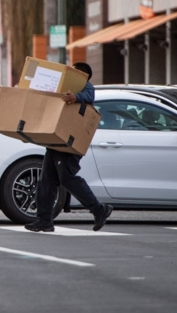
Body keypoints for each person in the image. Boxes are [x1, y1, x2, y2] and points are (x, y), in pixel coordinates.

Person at [26, 62, 113, 233]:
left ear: (84, 75)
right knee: (46, 181)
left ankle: (99, 209)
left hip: (70, 142)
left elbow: (89, 95)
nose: (73, 73)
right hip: (56, 139)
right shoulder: (62, 86)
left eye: (77, 71)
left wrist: (76, 97)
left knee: (67, 178)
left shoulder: (85, 87)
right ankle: (44, 220)